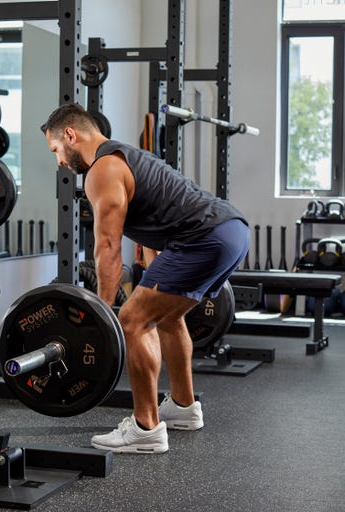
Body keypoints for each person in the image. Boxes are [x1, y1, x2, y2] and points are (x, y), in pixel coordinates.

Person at [41, 103, 250, 454]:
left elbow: (107, 247)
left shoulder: (102, 171)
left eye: (56, 150)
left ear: (71, 135)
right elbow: (158, 218)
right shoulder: (125, 156)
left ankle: (145, 428)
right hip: (230, 231)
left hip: (204, 238)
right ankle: (184, 408)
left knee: (133, 320)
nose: (59, 161)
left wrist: (101, 316)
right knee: (168, 317)